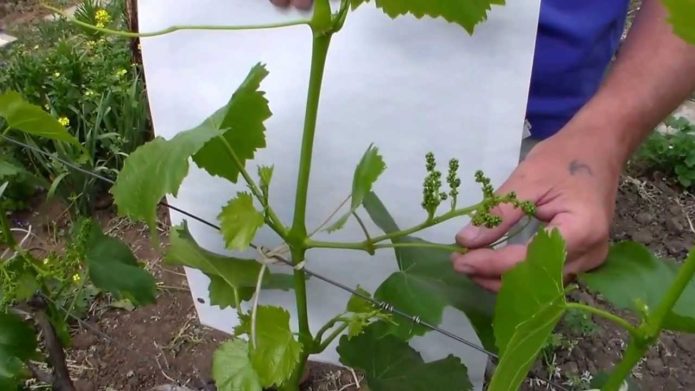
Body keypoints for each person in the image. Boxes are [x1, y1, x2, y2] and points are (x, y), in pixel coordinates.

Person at [272, 0, 695, 292]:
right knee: (283, 273)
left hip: (535, 127)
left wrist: (606, 132)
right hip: (305, 64)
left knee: (455, 315)